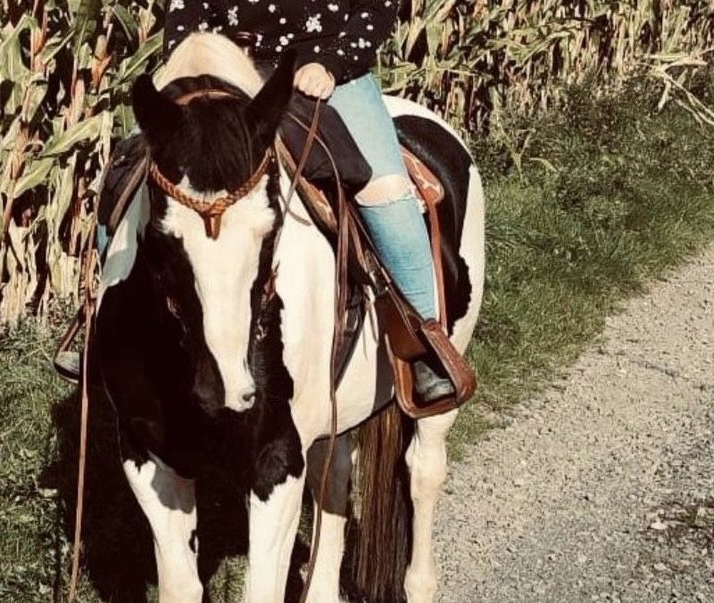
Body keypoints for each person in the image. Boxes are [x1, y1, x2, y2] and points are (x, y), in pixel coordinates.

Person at [57, 0, 454, 402]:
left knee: (385, 192)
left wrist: (332, 63)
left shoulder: (335, 63)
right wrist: (186, 68)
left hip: (331, 76)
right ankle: (103, 332)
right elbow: (185, 10)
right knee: (129, 176)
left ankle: (425, 345)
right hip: (228, 78)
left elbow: (377, 9)